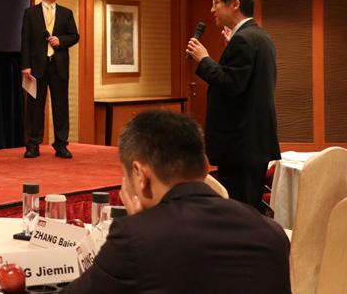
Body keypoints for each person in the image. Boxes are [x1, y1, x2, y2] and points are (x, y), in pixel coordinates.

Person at [63, 109, 291, 294]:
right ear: (205, 166)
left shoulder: (134, 238)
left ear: (141, 176)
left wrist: (142, 224)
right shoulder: (271, 233)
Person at [186, 0, 280, 211]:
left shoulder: (244, 40)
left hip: (240, 144)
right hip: (254, 140)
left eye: (216, 2)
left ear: (235, 4)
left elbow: (230, 85)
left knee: (238, 211)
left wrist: (204, 59)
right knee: (249, 208)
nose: (212, 9)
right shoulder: (260, 36)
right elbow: (246, 83)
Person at [20, 0, 79, 159]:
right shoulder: (31, 13)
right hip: (37, 67)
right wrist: (26, 65)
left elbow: (74, 36)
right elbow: (25, 40)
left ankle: (61, 144)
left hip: (58, 66)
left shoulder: (66, 13)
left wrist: (61, 40)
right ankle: (33, 144)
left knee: (61, 106)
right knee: (35, 107)